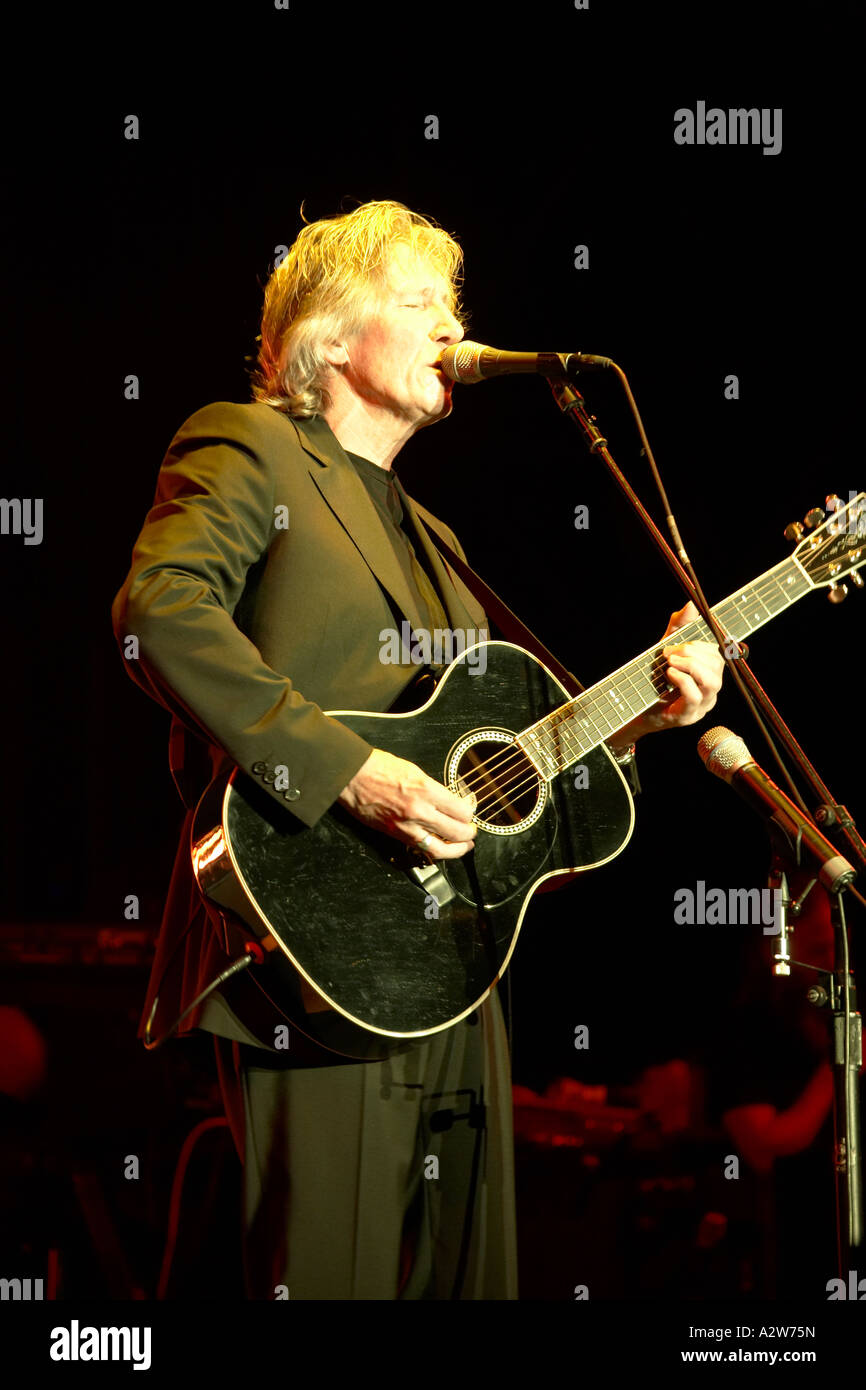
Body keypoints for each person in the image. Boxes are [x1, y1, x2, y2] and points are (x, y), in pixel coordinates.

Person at [111, 198, 725, 1300]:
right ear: (329, 336)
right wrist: (353, 773)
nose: (453, 326)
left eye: (457, 306)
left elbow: (495, 760)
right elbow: (157, 613)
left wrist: (642, 716)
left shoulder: (432, 536)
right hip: (308, 943)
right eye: (419, 302)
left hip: (449, 960)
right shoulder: (247, 443)